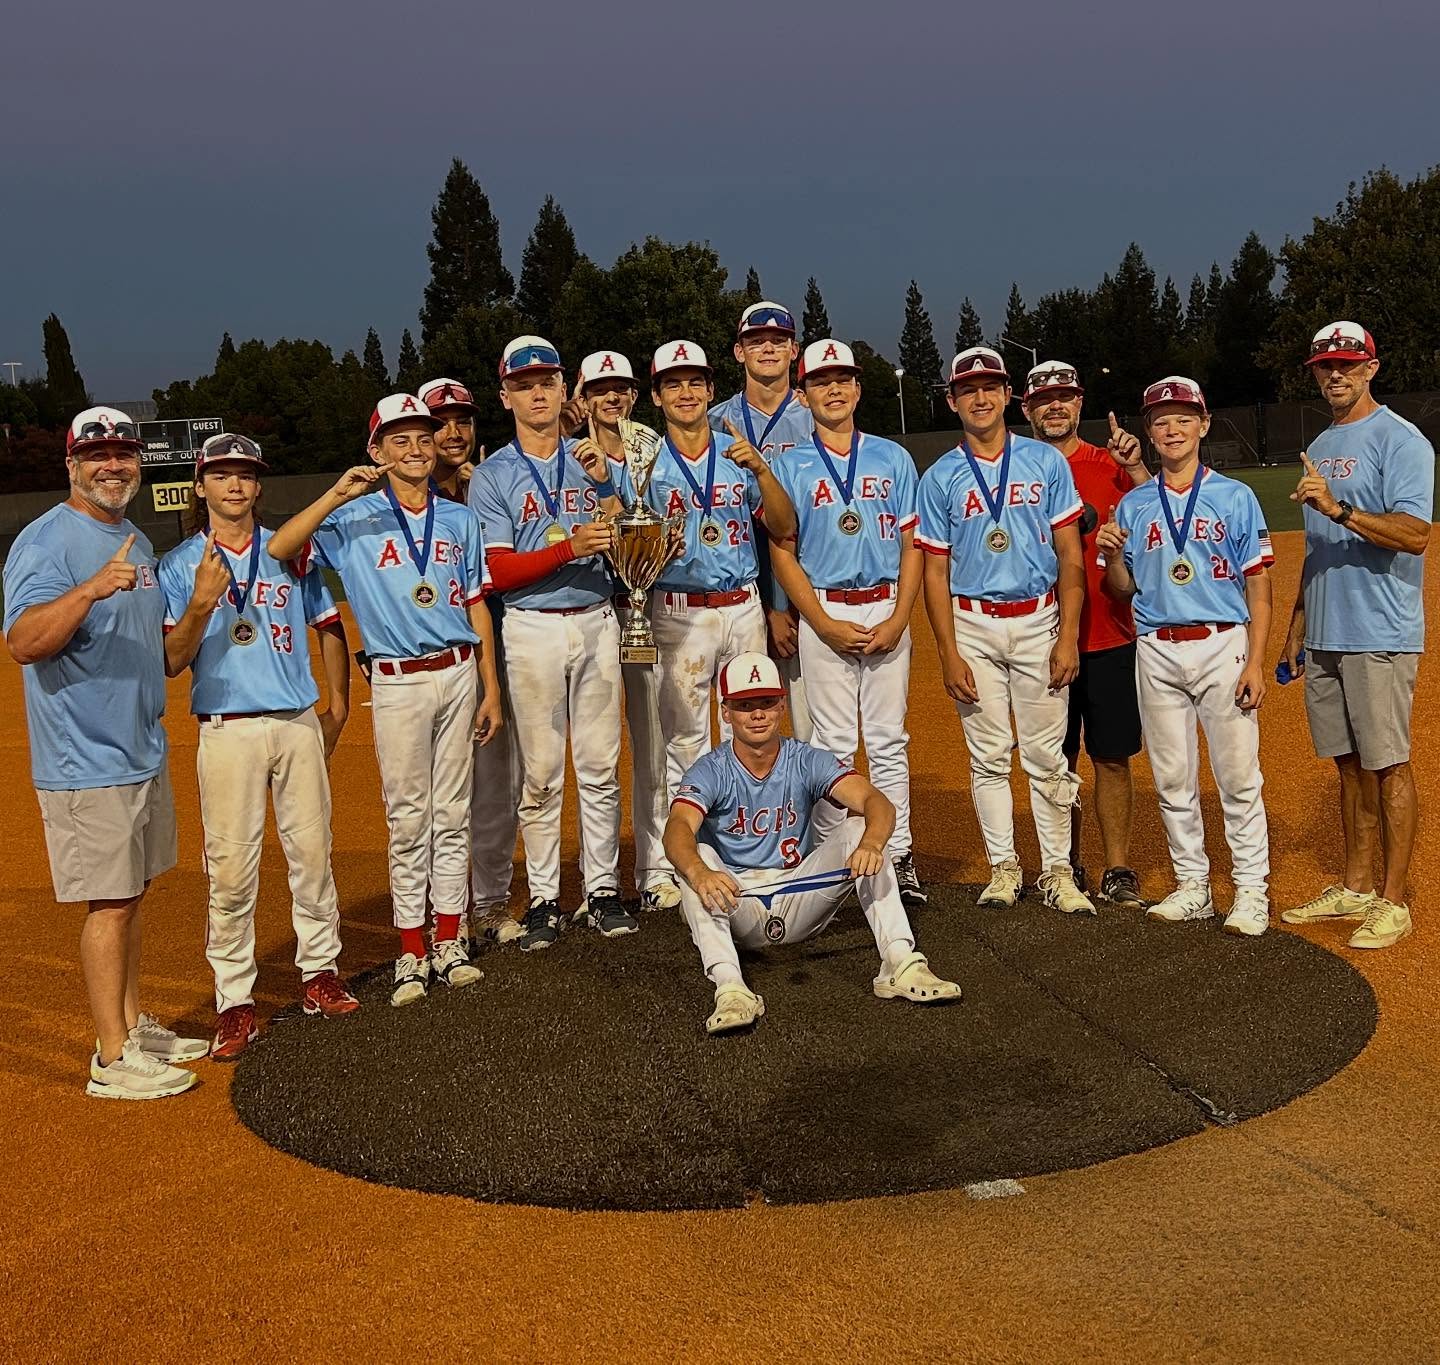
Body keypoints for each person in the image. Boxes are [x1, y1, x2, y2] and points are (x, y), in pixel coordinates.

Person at [267, 393, 502, 1005]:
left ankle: (449, 939)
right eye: (400, 439)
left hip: (457, 672)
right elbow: (281, 549)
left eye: (424, 437)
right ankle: (410, 948)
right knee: (408, 817)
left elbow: (476, 603)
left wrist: (491, 687)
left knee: (453, 812)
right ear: (376, 451)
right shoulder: (353, 518)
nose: (417, 448)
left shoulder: (457, 519)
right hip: (397, 681)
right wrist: (336, 496)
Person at [3, 406, 206, 1099]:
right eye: (97, 455)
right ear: (71, 464)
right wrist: (89, 588)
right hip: (84, 758)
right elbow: (25, 640)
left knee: (133, 894)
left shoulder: (136, 541)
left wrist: (201, 608)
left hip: (138, 749)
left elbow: (164, 655)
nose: (112, 464)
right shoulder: (46, 542)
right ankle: (111, 1059)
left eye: (123, 453)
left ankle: (129, 1024)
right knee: (110, 902)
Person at [158, 433, 359, 1061]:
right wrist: (199, 603)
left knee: (312, 853)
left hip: (296, 721)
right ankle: (235, 1002)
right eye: (222, 475)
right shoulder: (180, 564)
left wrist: (339, 708)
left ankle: (319, 974)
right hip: (227, 728)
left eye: (245, 475)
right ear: (201, 487)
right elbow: (171, 659)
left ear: (258, 486)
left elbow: (328, 624)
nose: (235, 485)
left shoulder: (287, 550)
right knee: (231, 870)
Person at [662, 652, 960, 1035]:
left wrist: (870, 843)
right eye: (745, 705)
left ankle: (900, 962)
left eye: (767, 703)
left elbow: (877, 803)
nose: (757, 714)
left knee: (859, 831)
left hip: (801, 895)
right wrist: (700, 872)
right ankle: (731, 987)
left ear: (782, 704)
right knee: (694, 860)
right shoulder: (711, 769)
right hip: (737, 903)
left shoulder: (806, 759)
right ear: (726, 712)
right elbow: (677, 829)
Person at [468, 336, 632, 949]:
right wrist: (568, 548)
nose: (539, 392)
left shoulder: (592, 461)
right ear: (506, 395)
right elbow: (498, 571)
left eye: (549, 382)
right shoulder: (493, 475)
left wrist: (608, 486)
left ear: (566, 391)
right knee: (539, 772)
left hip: (595, 617)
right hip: (531, 625)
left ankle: (602, 889)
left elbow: (636, 541)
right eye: (525, 384)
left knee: (599, 763)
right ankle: (542, 898)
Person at [917, 347, 1092, 914]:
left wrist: (1067, 635)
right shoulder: (941, 475)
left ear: (1008, 394)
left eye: (990, 387)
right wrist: (947, 651)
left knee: (1047, 756)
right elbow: (935, 572)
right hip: (973, 623)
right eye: (968, 389)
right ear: (952, 400)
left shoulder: (1045, 462)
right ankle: (1004, 866)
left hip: (1039, 619)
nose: (981, 397)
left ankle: (1059, 870)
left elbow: (1070, 556)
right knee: (988, 755)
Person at [1097, 376, 1274, 935]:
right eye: (1160, 420)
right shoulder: (1133, 503)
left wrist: (1255, 661)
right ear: (1149, 433)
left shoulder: (1234, 496)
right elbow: (1122, 590)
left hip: (1223, 641)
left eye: (1182, 418)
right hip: (1157, 648)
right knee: (1173, 778)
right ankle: (1192, 884)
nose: (1171, 429)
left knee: (1238, 777)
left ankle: (1251, 891)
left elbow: (1260, 588)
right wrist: (1115, 558)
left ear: (1203, 425)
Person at [1279, 323, 1433, 949]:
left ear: (1372, 367)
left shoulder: (1402, 441)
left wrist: (1339, 508)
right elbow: (1317, 549)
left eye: (1348, 364)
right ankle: (1356, 884)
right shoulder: (1321, 442)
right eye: (1324, 366)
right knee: (1347, 764)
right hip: (1327, 631)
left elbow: (1416, 534)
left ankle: (1393, 902)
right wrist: (1297, 624)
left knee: (1388, 763)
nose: (1335, 374)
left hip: (1380, 630)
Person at [768, 339, 926, 906]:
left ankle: (898, 855)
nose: (832, 389)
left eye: (843, 379)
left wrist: (902, 615)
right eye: (819, 381)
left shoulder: (892, 456)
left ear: (858, 388)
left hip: (885, 604)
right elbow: (782, 551)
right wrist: (821, 621)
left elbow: (913, 544)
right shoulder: (787, 464)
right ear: (803, 393)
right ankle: (837, 864)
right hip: (824, 608)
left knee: (888, 742)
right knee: (831, 743)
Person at [645, 340, 797, 802]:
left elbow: (784, 526)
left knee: (751, 735)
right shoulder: (646, 463)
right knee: (686, 740)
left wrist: (764, 471)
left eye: (695, 382)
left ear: (711, 390)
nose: (685, 393)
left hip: (743, 605)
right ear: (657, 397)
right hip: (678, 610)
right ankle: (692, 857)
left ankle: (746, 844)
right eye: (673, 385)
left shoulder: (738, 455)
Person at [1022, 361, 1149, 909]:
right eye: (1044, 399)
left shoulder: (1111, 463)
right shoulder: (1015, 468)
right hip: (1039, 636)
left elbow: (1166, 516)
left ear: (1080, 404)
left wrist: (1139, 470)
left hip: (1110, 633)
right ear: (1026, 408)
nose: (1055, 406)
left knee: (1113, 756)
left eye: (1065, 397)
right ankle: (1063, 863)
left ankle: (1117, 867)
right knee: (1057, 758)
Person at [571, 349, 683, 912]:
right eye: (600, 389)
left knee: (654, 738)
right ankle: (596, 878)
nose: (611, 397)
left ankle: (657, 866)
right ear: (581, 398)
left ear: (634, 396)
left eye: (620, 388)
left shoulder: (651, 449)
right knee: (596, 748)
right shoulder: (567, 458)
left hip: (646, 604)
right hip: (592, 609)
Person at [417, 377, 522, 946]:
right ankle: (437, 911)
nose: (452, 432)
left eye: (462, 420)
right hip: (432, 660)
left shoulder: (487, 485)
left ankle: (488, 902)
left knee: (493, 782)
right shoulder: (399, 499)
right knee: (433, 794)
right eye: (439, 422)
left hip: (493, 647)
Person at [709, 301, 816, 741]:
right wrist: (768, 605)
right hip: (741, 590)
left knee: (816, 728)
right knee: (742, 729)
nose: (768, 348)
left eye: (778, 340)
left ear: (794, 350)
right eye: (756, 341)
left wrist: (786, 604)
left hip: (807, 584)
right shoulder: (715, 422)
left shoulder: (816, 416)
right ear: (739, 352)